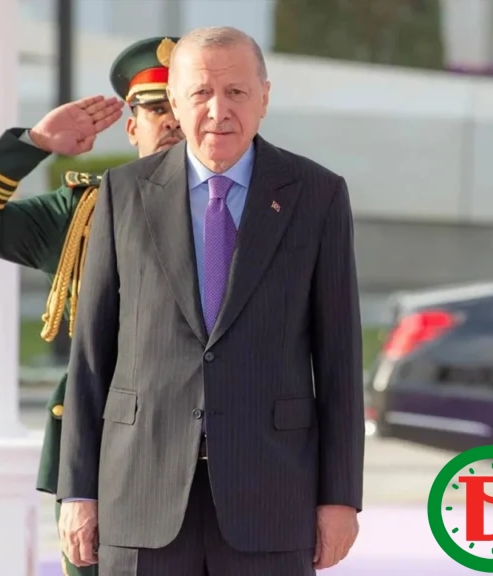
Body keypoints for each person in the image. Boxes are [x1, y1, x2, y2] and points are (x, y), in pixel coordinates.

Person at [55, 26, 364, 575]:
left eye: (236, 92)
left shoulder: (317, 195)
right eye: (200, 93)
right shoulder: (123, 193)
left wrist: (340, 498)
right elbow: (91, 355)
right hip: (141, 495)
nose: (219, 111)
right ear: (175, 102)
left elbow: (340, 357)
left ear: (264, 97)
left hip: (270, 497)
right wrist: (78, 492)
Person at [0, 35, 186, 576]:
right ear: (132, 126)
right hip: (104, 461)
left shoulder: (247, 207)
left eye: (181, 105)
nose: (171, 121)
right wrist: (33, 143)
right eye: (155, 109)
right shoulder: (83, 214)